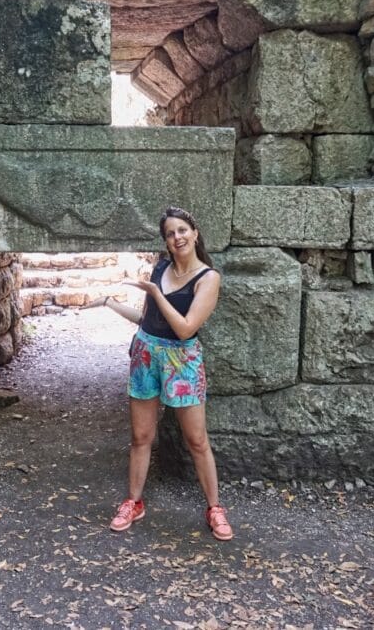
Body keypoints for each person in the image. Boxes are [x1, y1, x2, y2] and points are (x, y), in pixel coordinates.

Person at [97, 206, 233, 541]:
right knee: (141, 436)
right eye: (170, 233)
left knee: (197, 440)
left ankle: (215, 508)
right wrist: (109, 303)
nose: (177, 237)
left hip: (182, 359)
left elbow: (186, 329)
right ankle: (134, 501)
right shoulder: (160, 268)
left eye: (182, 230)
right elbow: (148, 320)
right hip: (146, 354)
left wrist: (156, 293)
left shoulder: (208, 278)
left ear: (195, 233)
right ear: (166, 242)